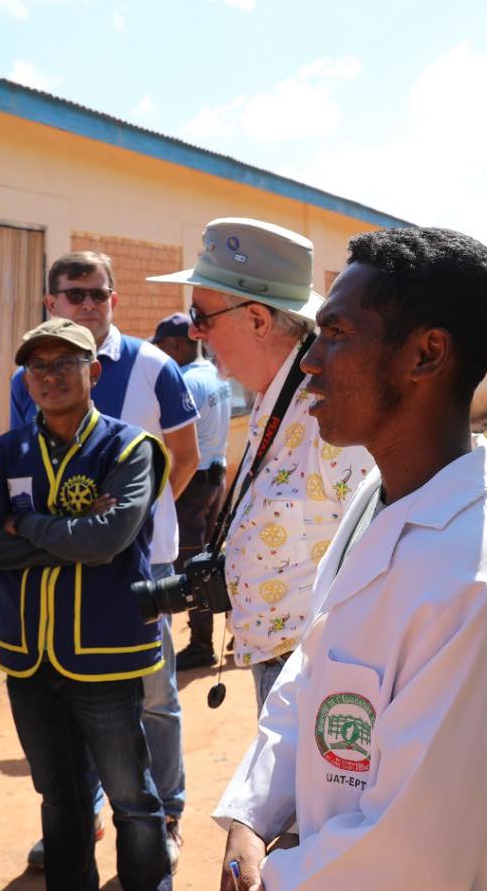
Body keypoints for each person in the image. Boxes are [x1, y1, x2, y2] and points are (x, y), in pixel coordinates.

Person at [213, 227, 487, 891]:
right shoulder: (380, 499)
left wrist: (272, 882)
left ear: (426, 356)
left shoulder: (477, 586)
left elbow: (408, 861)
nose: (310, 361)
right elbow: (316, 665)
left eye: (338, 334)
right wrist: (250, 817)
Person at [0, 319, 173, 891]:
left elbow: (106, 541)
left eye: (66, 363)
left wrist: (28, 526)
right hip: (29, 660)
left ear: (94, 372)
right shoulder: (8, 451)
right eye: (38, 365)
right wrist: (73, 536)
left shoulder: (129, 447)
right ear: (26, 378)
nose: (51, 375)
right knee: (59, 797)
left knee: (132, 797)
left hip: (105, 654)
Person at [9, 250, 197, 866]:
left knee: (152, 695)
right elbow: (23, 464)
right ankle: (85, 810)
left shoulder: (154, 365)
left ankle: (165, 812)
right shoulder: (27, 375)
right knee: (72, 686)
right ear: (51, 303)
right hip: (59, 563)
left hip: (146, 563)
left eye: (98, 294)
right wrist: (80, 530)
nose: (87, 304)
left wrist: (126, 524)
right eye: (74, 294)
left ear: (114, 301)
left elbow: (185, 457)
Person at [148, 217, 373, 710]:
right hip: (287, 665)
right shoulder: (278, 396)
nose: (193, 331)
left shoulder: (331, 412)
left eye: (201, 315)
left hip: (320, 676)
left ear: (257, 320)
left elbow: (379, 570)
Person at [151, 312, 232, 670]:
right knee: (213, 559)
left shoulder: (183, 382)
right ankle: (234, 631)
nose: (161, 353)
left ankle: (201, 644)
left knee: (191, 567)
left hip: (193, 483)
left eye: (164, 346)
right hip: (217, 477)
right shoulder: (215, 375)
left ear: (178, 344)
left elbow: (175, 443)